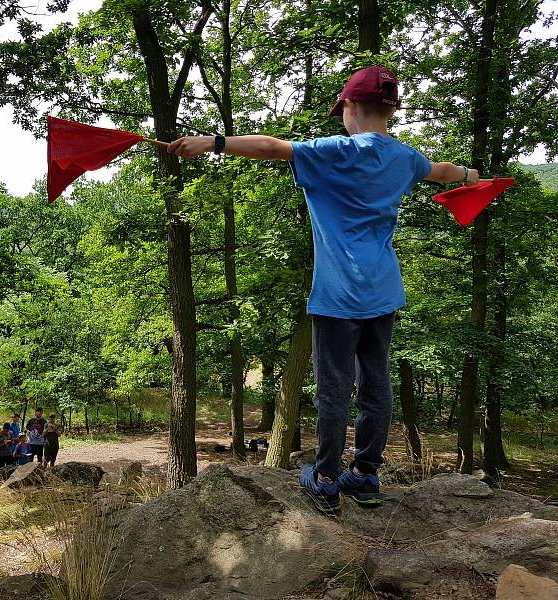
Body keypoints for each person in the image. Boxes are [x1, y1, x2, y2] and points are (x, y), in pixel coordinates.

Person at [168, 66, 479, 514]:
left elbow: (272, 147)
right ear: (391, 109)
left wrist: (213, 143)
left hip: (338, 296)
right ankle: (367, 473)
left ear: (350, 106)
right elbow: (444, 171)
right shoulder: (405, 159)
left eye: (343, 111)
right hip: (384, 291)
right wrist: (471, 176)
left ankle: (328, 478)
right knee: (377, 383)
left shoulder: (335, 152)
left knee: (334, 389)